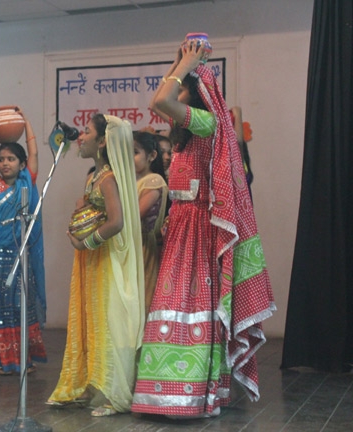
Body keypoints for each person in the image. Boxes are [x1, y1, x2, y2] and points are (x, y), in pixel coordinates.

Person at [131, 38, 275, 418]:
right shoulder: (183, 133)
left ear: (193, 93)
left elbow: (161, 100)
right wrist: (180, 63)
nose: (173, 88)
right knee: (170, 303)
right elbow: (158, 102)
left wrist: (186, 66)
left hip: (199, 228)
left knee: (190, 304)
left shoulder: (207, 122)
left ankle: (191, 394)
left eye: (180, 86)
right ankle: (164, 392)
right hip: (181, 225)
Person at [47, 114, 145, 416]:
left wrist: (86, 242)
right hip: (90, 260)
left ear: (103, 141)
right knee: (89, 319)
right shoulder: (94, 177)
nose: (81, 137)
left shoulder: (108, 179)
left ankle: (113, 393)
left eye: (87, 132)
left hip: (103, 259)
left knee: (107, 322)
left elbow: (116, 222)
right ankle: (88, 385)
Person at [0, 108, 47, 375]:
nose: (5, 164)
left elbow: (35, 154)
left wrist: (26, 121)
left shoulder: (26, 182)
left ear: (21, 163)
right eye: (2, 159)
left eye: (11, 159)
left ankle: (24, 359)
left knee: (19, 307)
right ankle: (3, 361)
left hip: (19, 257)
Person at [133, 131, 168, 312]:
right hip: (129, 245)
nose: (129, 158)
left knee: (142, 298)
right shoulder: (130, 181)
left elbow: (135, 215)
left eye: (135, 152)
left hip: (143, 247)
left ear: (152, 156)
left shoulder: (154, 181)